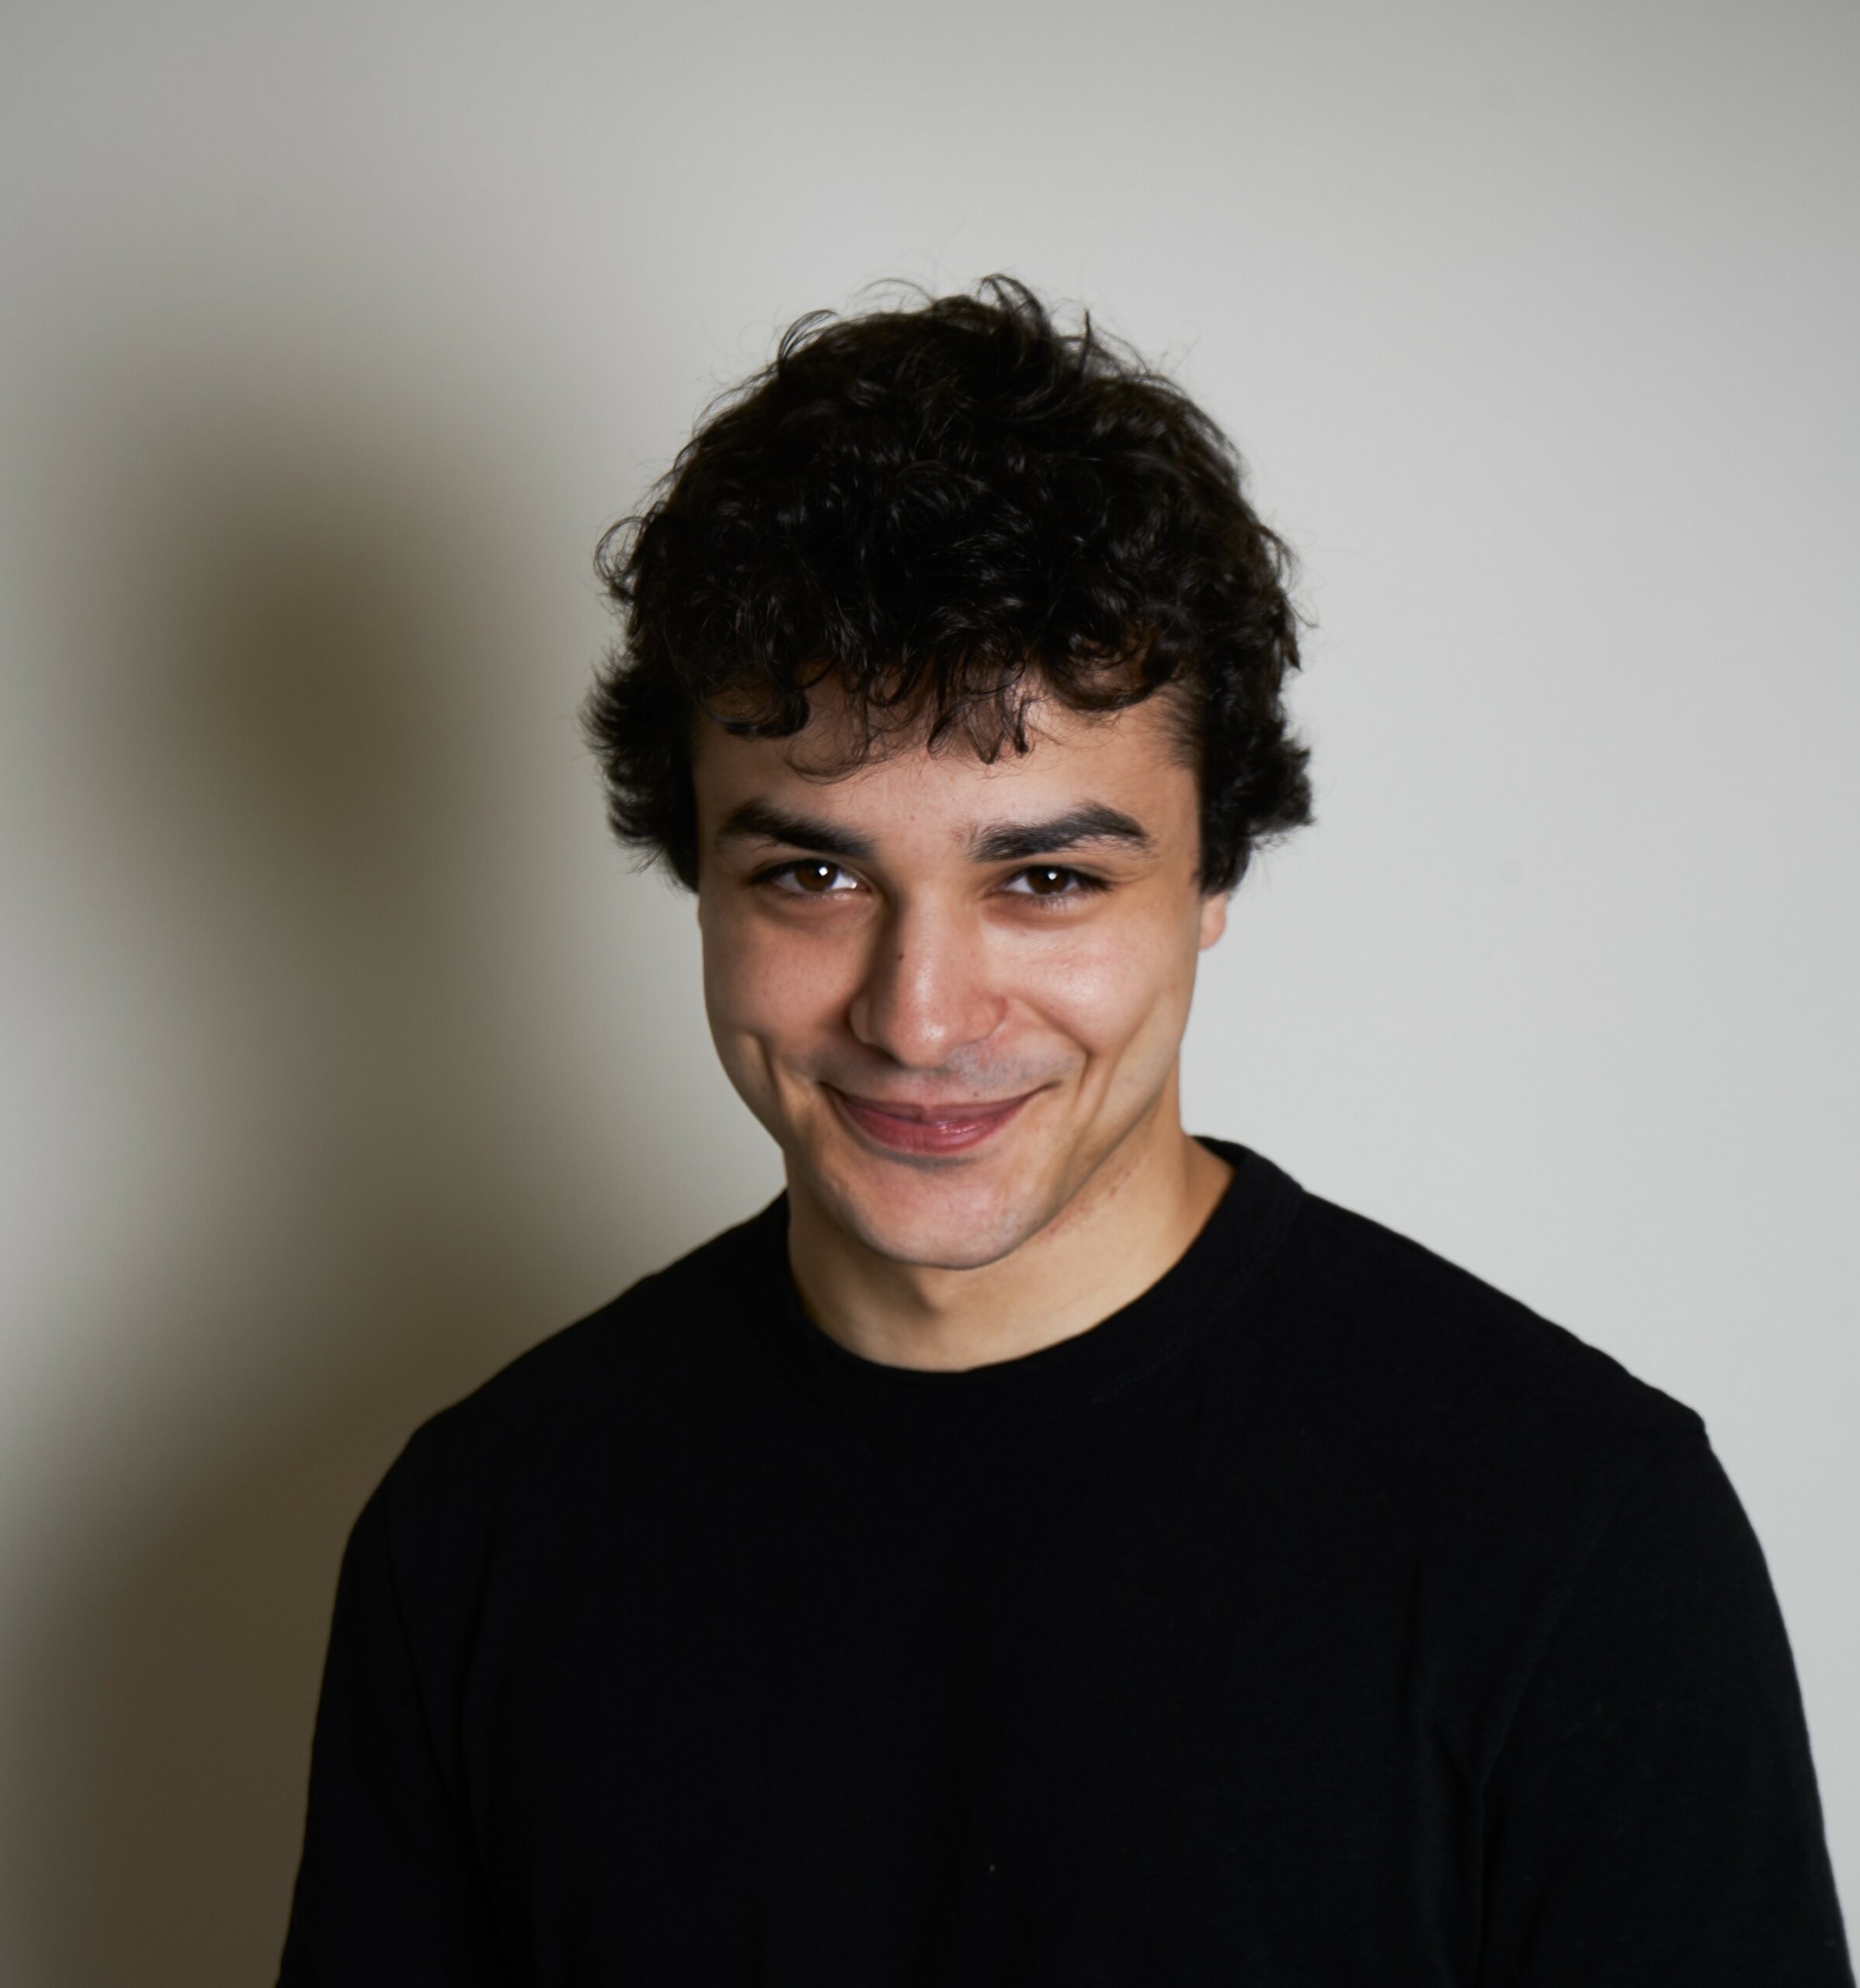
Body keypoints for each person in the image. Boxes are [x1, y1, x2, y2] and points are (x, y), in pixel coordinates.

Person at [276, 277, 1853, 1984]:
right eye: (812, 874)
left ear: (1214, 874)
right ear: (698, 873)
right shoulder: (483, 1530)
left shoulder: (1571, 1534)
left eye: (1043, 877)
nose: (918, 1016)